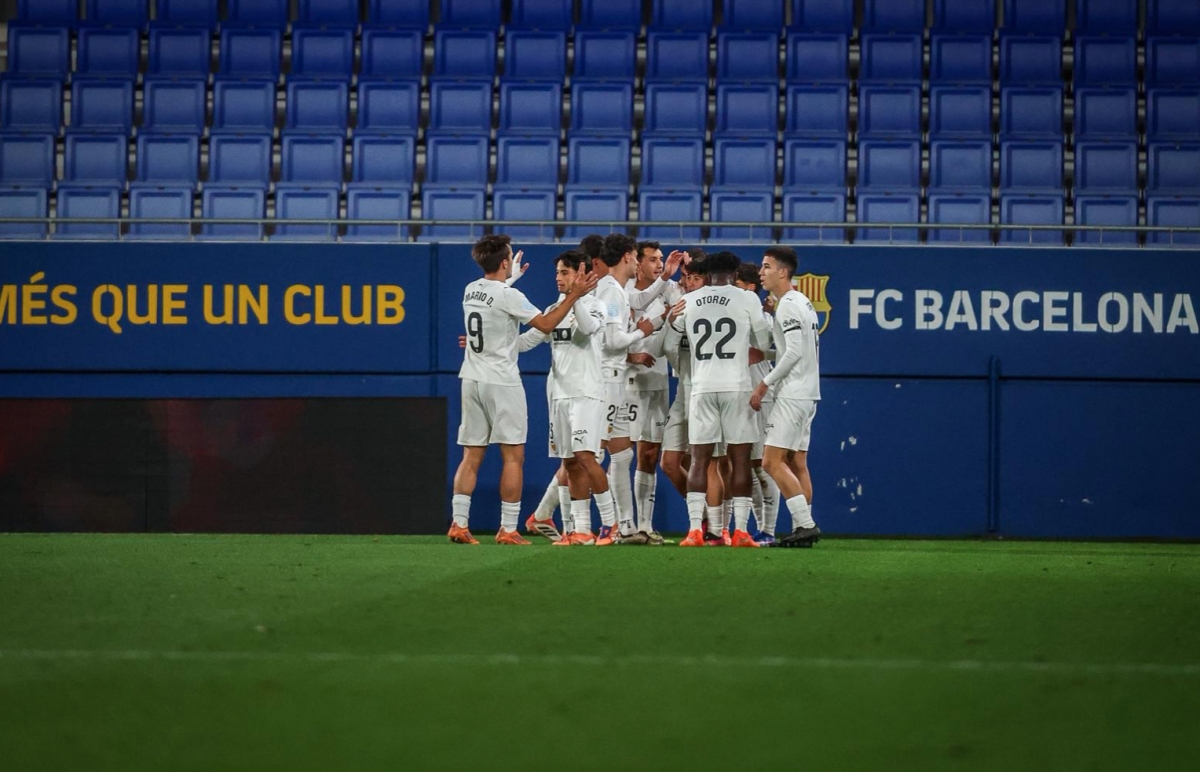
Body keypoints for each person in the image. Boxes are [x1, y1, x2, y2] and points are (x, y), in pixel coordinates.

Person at [449, 234, 598, 545]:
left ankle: (459, 524)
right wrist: (573, 296)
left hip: (471, 378)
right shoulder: (509, 296)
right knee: (513, 456)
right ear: (504, 262)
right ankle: (508, 528)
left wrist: (509, 278)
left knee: (471, 455)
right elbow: (544, 324)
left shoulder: (471, 289)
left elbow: (495, 304)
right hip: (501, 381)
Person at [666, 251, 772, 548]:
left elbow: (672, 339)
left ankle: (694, 531)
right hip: (736, 385)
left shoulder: (690, 299)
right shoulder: (747, 298)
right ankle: (739, 531)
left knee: (699, 459)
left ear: (708, 273)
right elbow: (763, 343)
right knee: (739, 461)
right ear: (734, 271)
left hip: (700, 385)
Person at [518, 251, 616, 545]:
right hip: (559, 395)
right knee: (570, 462)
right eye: (558, 273)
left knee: (587, 457)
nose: (558, 278)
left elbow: (587, 330)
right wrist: (488, 343)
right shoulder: (554, 308)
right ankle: (581, 530)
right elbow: (526, 342)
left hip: (586, 393)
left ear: (580, 274)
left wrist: (575, 299)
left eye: (564, 272)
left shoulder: (596, 306)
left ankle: (611, 525)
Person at [751, 246, 822, 548]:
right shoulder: (802, 302)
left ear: (783, 272)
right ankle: (800, 527)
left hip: (792, 394)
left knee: (771, 461)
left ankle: (805, 525)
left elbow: (793, 353)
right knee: (796, 462)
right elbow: (795, 348)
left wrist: (763, 384)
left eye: (766, 267)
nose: (761, 272)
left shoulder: (789, 305)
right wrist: (766, 352)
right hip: (808, 393)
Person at [592, 234, 656, 545]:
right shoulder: (611, 292)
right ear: (628, 257)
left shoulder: (613, 289)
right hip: (605, 381)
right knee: (588, 454)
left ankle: (626, 526)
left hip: (613, 378)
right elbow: (612, 341)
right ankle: (585, 523)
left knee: (621, 454)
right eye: (634, 257)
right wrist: (641, 331)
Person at [622, 241, 686, 544]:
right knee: (617, 453)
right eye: (652, 259)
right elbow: (605, 339)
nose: (659, 264)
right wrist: (630, 357)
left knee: (648, 455)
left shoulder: (670, 289)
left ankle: (645, 526)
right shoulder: (624, 291)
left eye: (661, 259)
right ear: (637, 263)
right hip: (625, 381)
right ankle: (618, 524)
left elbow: (684, 312)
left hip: (658, 380)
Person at [734, 262, 781, 545]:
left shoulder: (766, 318)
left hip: (762, 397)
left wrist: (762, 354)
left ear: (751, 289)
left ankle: (769, 530)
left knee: (763, 466)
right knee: (747, 466)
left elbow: (787, 353)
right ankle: (759, 529)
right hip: (738, 395)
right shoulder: (732, 315)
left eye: (738, 287)